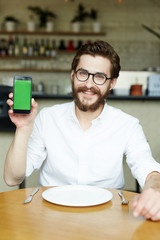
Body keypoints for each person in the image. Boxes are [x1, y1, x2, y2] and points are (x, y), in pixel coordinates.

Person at [4, 40, 160, 221]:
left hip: (107, 221)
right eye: (83, 73)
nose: (89, 84)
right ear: (72, 75)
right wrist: (23, 129)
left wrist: (155, 189)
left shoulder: (128, 125)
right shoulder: (48, 118)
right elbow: (12, 179)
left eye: (100, 77)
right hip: (50, 219)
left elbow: (148, 168)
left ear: (112, 83)